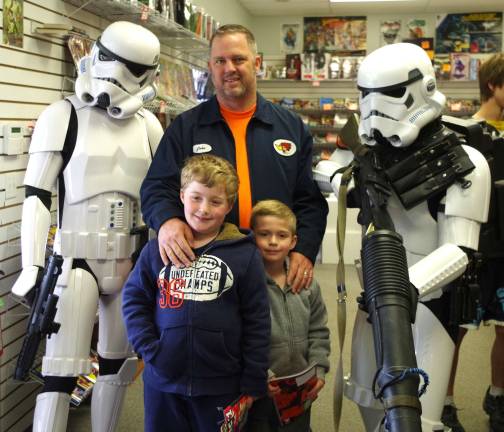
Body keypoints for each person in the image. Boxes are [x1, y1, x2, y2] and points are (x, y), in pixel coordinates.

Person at [314, 42, 491, 431]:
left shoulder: (466, 162)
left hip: (426, 303)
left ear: (424, 87)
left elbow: (459, 250)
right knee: (368, 399)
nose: (376, 108)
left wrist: (401, 289)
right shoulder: (369, 153)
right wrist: (347, 178)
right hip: (371, 296)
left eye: (392, 94)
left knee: (414, 419)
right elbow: (327, 171)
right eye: (367, 97)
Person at [10, 21, 163, 432]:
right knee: (61, 370)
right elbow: (37, 195)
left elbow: (160, 198)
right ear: (94, 53)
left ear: (150, 74)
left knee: (117, 367)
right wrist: (31, 267)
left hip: (131, 264)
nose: (114, 72)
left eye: (129, 66)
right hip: (74, 260)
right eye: (108, 57)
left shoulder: (149, 126)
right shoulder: (62, 116)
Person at [140, 24, 328, 293]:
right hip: (205, 266)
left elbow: (309, 200)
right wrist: (168, 221)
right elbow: (156, 187)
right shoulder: (186, 127)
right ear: (210, 67)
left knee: (273, 335)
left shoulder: (290, 127)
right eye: (220, 61)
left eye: (239, 59)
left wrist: (306, 250)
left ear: (257, 63)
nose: (229, 68)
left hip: (272, 266)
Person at [123, 154, 271, 432]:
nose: (204, 209)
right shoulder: (157, 249)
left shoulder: (245, 255)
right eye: (196, 198)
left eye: (215, 201)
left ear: (229, 205)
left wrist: (254, 377)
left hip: (222, 382)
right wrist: (150, 350)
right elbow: (134, 300)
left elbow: (258, 320)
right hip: (162, 380)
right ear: (181, 196)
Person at [442, 52, 504, 432]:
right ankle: (443, 402)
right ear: (494, 86)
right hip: (472, 250)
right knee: (455, 328)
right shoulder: (464, 135)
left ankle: (498, 396)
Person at [245, 199, 330, 432]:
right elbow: (239, 336)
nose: (273, 242)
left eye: (281, 236)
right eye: (264, 234)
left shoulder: (307, 284)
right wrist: (259, 374)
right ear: (252, 236)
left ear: (293, 241)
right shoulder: (247, 284)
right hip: (261, 388)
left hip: (300, 390)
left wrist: (319, 368)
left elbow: (319, 330)